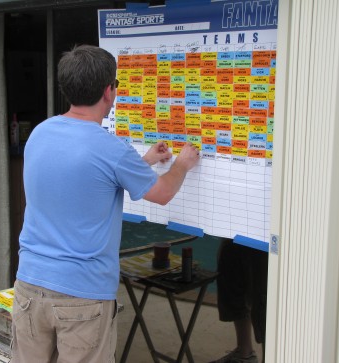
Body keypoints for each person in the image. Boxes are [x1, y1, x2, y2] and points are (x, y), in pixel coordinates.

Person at [10, 44, 200, 363]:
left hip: (30, 288)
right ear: (109, 92)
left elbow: (84, 180)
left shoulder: (41, 134)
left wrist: (142, 162)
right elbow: (163, 193)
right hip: (82, 297)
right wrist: (182, 164)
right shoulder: (110, 150)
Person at [209, 238, 269, 363]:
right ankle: (244, 353)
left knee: (264, 298)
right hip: (237, 231)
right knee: (230, 267)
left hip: (266, 234)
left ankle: (269, 358)